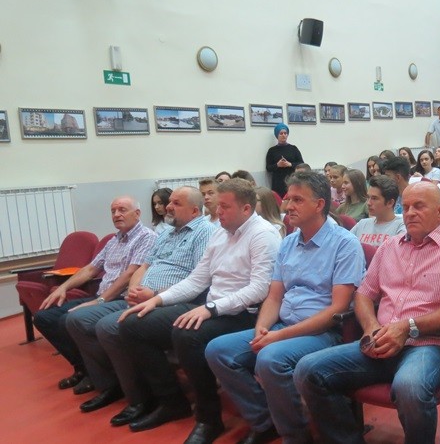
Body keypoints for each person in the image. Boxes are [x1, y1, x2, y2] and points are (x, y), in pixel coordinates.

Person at [295, 181, 440, 444]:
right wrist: (371, 327)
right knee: (307, 370)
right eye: (405, 207)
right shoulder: (389, 247)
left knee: (409, 387)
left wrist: (407, 327)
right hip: (380, 339)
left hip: (428, 345)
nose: (410, 213)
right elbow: (363, 294)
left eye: (419, 206)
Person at [116, 179, 282, 441]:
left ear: (246, 209)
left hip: (247, 314)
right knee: (134, 325)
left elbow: (259, 289)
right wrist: (158, 300)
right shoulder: (220, 233)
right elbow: (197, 279)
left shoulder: (263, 235)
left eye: (225, 206)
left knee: (187, 335)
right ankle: (171, 401)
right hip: (215, 308)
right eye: (218, 205)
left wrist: (210, 309)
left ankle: (208, 419)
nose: (217, 211)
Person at [205, 172, 365, 444]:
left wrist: (277, 337)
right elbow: (274, 297)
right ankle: (265, 420)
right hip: (284, 325)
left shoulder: (344, 244)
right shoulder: (289, 242)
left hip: (324, 332)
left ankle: (295, 435)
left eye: (297, 200)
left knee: (271, 358)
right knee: (218, 351)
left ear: (319, 204)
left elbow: (336, 310)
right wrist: (262, 329)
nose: (288, 205)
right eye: (288, 199)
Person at [65, 187, 215, 422]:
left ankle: (140, 398)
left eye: (176, 203)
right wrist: (134, 291)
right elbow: (144, 266)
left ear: (195, 211)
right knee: (76, 319)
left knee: (109, 327)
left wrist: (153, 295)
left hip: (172, 300)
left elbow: (197, 280)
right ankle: (111, 384)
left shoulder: (204, 232)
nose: (168, 206)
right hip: (141, 296)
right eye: (170, 202)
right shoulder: (167, 232)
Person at [33, 196, 157, 393]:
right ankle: (84, 369)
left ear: (137, 213)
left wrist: (100, 300)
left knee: (68, 319)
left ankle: (104, 375)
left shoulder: (147, 237)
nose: (116, 214)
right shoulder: (114, 240)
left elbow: (130, 274)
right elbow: (91, 269)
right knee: (44, 318)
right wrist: (63, 287)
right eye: (113, 211)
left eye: (122, 210)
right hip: (101, 295)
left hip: (120, 298)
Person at [351, 175, 406, 247]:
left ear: (390, 203)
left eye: (374, 198)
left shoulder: (401, 227)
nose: (368, 203)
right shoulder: (362, 224)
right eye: (368, 197)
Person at [265, 123, 304, 197]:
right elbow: (268, 167)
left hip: (292, 180)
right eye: (281, 133)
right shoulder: (272, 150)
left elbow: (301, 164)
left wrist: (290, 164)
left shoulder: (293, 148)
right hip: (278, 182)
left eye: (285, 133)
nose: (283, 135)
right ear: (277, 135)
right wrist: (277, 165)